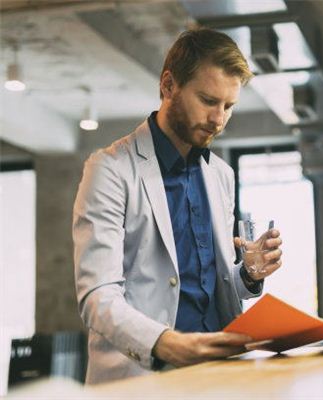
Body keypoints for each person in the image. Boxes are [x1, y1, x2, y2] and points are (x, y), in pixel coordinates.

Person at [73, 28, 283, 384]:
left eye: (228, 106)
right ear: (168, 85)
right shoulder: (109, 169)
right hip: (142, 378)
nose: (218, 119)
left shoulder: (221, 174)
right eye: (207, 100)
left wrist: (247, 273)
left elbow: (207, 287)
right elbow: (97, 296)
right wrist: (166, 344)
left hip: (219, 375)